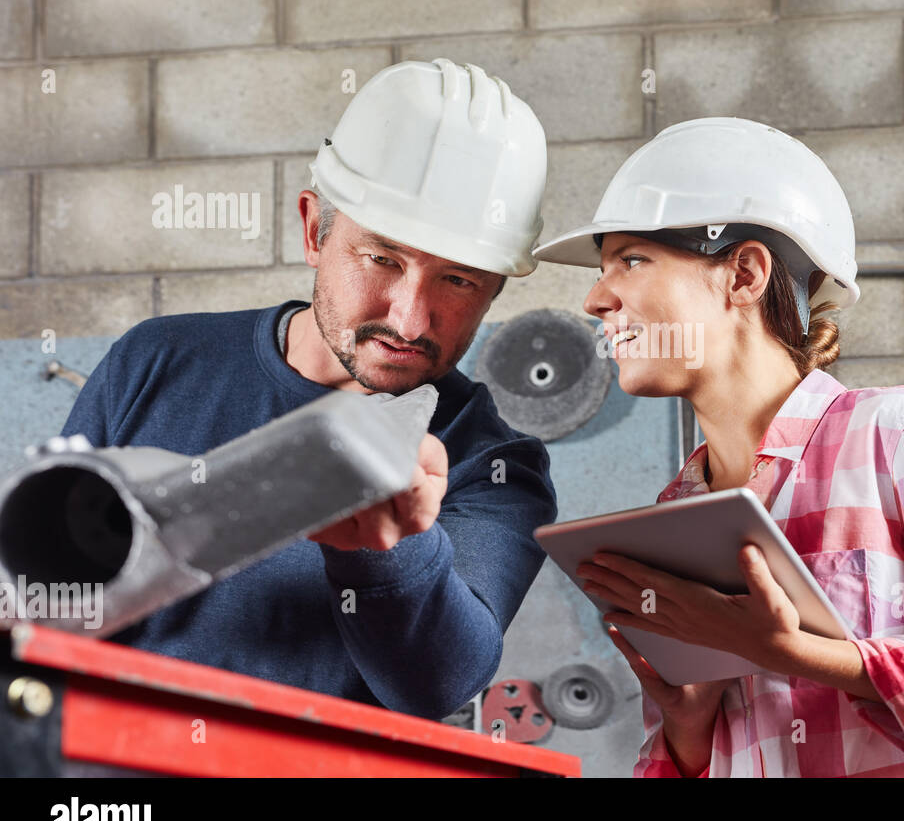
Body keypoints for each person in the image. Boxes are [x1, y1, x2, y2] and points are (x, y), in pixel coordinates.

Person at [532, 116, 904, 776]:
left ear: (743, 274)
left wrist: (797, 653)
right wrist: (687, 727)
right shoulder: (679, 508)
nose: (596, 298)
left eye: (631, 259)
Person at [57, 59, 558, 721]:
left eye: (459, 281)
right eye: (383, 259)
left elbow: (442, 682)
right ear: (313, 231)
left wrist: (391, 546)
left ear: (495, 288)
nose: (410, 319)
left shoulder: (492, 464)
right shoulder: (158, 358)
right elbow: (46, 587)